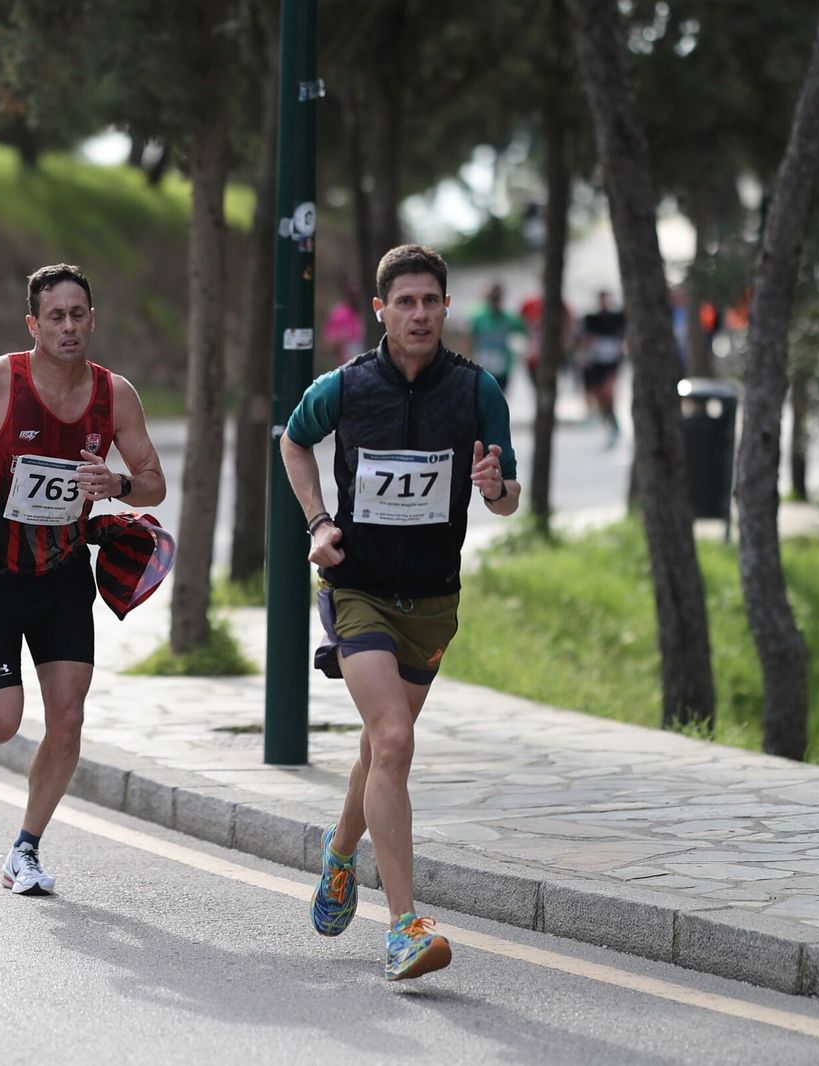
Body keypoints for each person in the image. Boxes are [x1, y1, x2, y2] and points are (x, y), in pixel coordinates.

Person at [278, 244, 519, 981]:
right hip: (359, 588)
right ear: (380, 311)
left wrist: (493, 487)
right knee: (394, 736)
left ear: (448, 308)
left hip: (433, 602)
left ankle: (340, 853)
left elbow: (508, 499)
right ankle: (404, 926)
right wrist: (319, 523)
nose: (419, 313)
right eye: (404, 302)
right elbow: (293, 443)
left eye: (430, 301)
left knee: (381, 749)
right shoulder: (345, 387)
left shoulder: (479, 392)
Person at [0, 263, 167, 897]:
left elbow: (154, 481)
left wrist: (120, 485)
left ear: (92, 320)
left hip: (62, 577)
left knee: (69, 719)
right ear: (34, 324)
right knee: (0, 727)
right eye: (55, 316)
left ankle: (25, 847)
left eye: (79, 314)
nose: (69, 326)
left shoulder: (116, 396)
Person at [578, 290, 626, 447]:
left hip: (612, 362)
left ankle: (614, 425)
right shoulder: (591, 319)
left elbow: (623, 337)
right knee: (600, 396)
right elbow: (585, 339)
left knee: (608, 392)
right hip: (596, 362)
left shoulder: (617, 318)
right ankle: (610, 422)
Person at [467, 281, 527, 395]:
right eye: (492, 298)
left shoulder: (509, 318)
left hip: (502, 370)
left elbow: (525, 330)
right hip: (483, 368)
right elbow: (469, 339)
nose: (495, 301)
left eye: (497, 298)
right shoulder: (479, 318)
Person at [324, 283, 366, 367]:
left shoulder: (358, 314)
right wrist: (340, 339)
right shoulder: (339, 314)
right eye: (351, 295)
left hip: (358, 360)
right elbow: (329, 339)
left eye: (356, 296)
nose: (354, 299)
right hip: (343, 361)